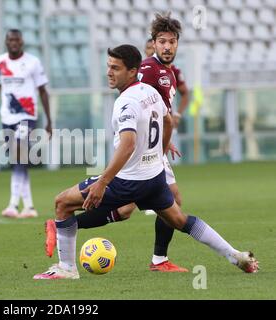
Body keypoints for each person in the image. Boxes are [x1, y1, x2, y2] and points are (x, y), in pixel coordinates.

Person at [33, 44, 258, 280]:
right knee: (180, 219)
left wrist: (102, 183)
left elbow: (128, 144)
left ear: (132, 71)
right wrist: (158, 155)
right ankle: (236, 256)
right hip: (154, 177)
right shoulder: (150, 92)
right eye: (108, 66)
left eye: (115, 68)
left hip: (128, 181)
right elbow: (168, 122)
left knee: (62, 203)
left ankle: (66, 268)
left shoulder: (126, 102)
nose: (109, 72)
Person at [45, 13, 189, 272]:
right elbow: (137, 104)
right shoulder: (146, 71)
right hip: (143, 152)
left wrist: (165, 141)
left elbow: (162, 114)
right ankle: (158, 260)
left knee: (133, 209)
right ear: (153, 43)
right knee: (143, 207)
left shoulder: (170, 72)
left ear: (177, 43)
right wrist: (153, 142)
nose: (166, 46)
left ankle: (159, 259)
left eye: (171, 41)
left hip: (152, 148)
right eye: (161, 41)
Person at [0, 29, 52, 219]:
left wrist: (49, 120)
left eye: (17, 39)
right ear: (6, 41)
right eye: (11, 39)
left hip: (27, 115)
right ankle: (29, 207)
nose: (14, 42)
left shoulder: (33, 62)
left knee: (19, 154)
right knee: (18, 160)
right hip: (7, 117)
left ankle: (12, 204)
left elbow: (43, 91)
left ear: (22, 41)